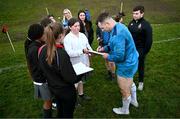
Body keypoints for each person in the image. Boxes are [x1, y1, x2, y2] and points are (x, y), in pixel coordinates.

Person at [97, 12, 139, 115]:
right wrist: (104, 48)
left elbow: (120, 56)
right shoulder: (118, 26)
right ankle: (134, 101)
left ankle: (125, 110)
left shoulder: (117, 34)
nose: (102, 30)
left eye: (102, 28)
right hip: (132, 60)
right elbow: (112, 44)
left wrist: (108, 56)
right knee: (130, 81)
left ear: (107, 23)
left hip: (126, 64)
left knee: (123, 89)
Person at [38, 22, 79, 118]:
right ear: (60, 36)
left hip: (54, 89)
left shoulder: (41, 49)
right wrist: (80, 75)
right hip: (66, 91)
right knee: (67, 115)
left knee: (60, 113)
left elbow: (44, 69)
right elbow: (71, 78)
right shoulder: (61, 53)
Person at [24, 24, 52, 118]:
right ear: (38, 35)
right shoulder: (34, 49)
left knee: (49, 100)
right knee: (48, 101)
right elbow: (40, 67)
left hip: (42, 78)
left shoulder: (37, 45)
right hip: (41, 80)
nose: (45, 35)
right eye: (44, 33)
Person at [64, 18, 92, 105]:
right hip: (75, 65)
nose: (77, 27)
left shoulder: (83, 35)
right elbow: (69, 53)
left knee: (80, 81)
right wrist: (82, 51)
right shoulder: (67, 38)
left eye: (78, 25)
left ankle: (81, 95)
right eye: (75, 26)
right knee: (74, 84)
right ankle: (73, 99)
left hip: (84, 62)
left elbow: (87, 46)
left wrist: (91, 52)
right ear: (70, 27)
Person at [128, 5, 152, 91]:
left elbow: (149, 41)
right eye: (133, 13)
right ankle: (130, 81)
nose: (134, 15)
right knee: (131, 64)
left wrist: (144, 52)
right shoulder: (131, 23)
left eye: (136, 13)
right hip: (131, 49)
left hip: (141, 49)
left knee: (140, 66)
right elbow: (128, 36)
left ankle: (141, 82)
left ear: (142, 14)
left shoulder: (146, 25)